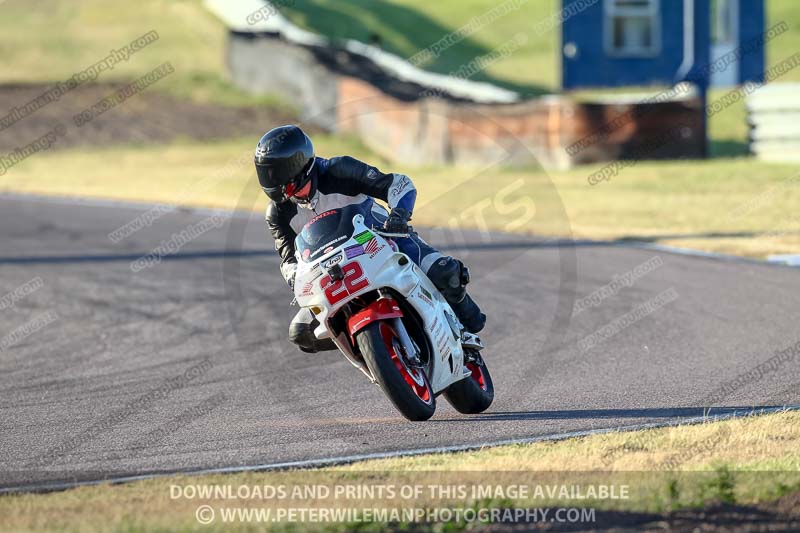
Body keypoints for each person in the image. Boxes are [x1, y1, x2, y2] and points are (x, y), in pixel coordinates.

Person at [255, 125, 485, 353]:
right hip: (331, 271)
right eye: (268, 175)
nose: (277, 184)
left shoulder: (339, 170)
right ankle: (373, 349)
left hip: (382, 240)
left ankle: (461, 326)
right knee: (301, 333)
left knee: (446, 273)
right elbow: (287, 259)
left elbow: (399, 184)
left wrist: (398, 216)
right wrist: (297, 279)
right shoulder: (278, 213)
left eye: (278, 173)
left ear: (299, 165)